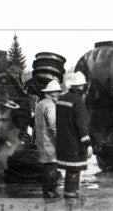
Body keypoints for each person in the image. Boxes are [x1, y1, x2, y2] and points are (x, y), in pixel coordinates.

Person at [55, 71, 93, 200]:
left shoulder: (61, 98)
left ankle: (72, 192)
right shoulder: (78, 100)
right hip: (74, 141)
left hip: (62, 139)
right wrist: (87, 143)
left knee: (69, 168)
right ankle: (71, 194)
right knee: (74, 168)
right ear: (80, 86)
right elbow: (81, 123)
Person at [34, 78, 62, 199]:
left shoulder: (39, 104)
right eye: (57, 94)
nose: (58, 97)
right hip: (49, 141)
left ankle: (47, 190)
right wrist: (59, 139)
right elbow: (53, 124)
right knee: (51, 166)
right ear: (52, 93)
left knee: (46, 166)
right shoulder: (51, 106)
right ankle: (50, 190)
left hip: (40, 139)